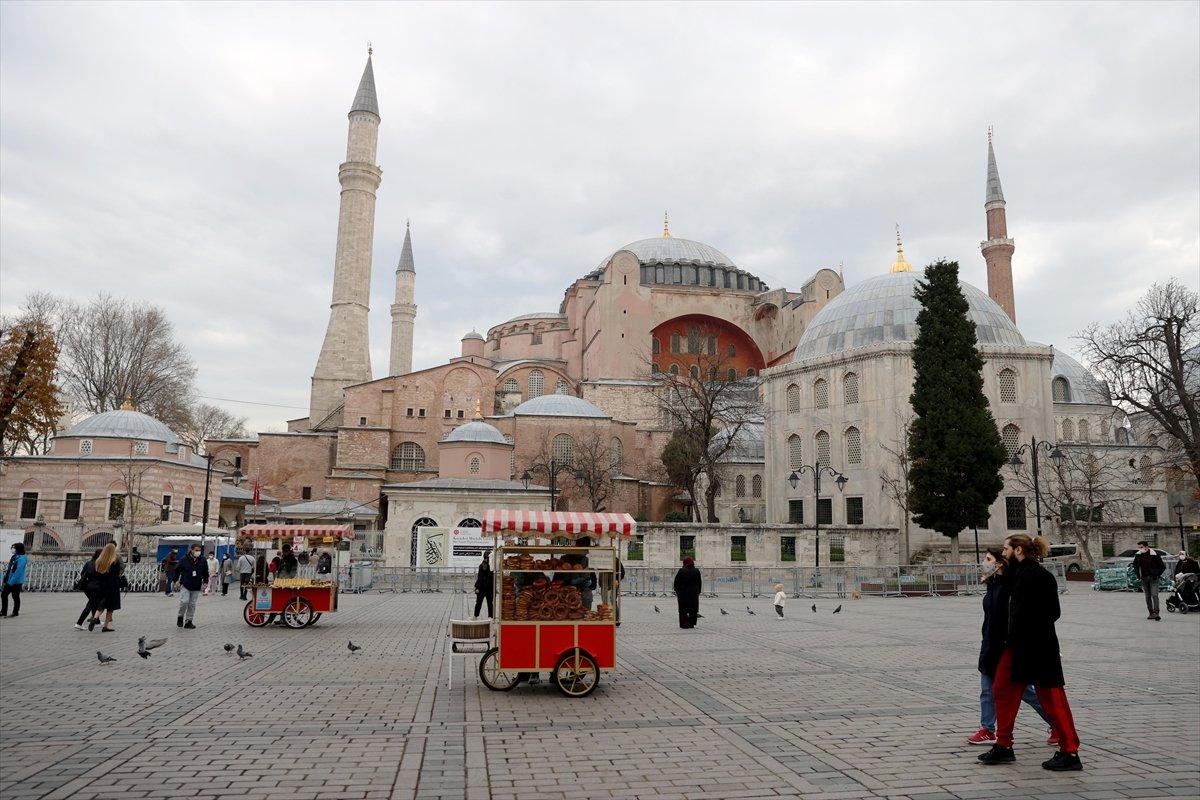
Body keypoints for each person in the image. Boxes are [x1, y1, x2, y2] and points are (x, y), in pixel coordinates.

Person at [978, 534, 1082, 772]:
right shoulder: (1013, 575)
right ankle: (1004, 745)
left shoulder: (1039, 576)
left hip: (1038, 647)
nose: (1003, 553)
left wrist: (1026, 629)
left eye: (1006, 549)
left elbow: (1052, 612)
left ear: (1018, 550)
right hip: (1015, 647)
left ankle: (1070, 751)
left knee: (1052, 698)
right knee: (1002, 690)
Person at [969, 547, 1057, 747]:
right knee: (987, 690)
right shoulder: (993, 585)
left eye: (988, 559)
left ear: (999, 563)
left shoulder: (1009, 586)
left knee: (1027, 693)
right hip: (990, 646)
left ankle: (1056, 722)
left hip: (1006, 648)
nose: (984, 563)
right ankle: (987, 729)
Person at [83, 543, 123, 632]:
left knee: (101, 604)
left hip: (101, 585)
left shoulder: (99, 561)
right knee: (110, 607)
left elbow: (97, 573)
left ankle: (95, 618)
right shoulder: (114, 561)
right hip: (112, 585)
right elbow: (117, 573)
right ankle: (105, 626)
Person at [173, 544, 209, 629]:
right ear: (192, 550)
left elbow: (205, 571)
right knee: (184, 602)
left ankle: (189, 621)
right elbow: (177, 570)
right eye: (196, 550)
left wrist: (205, 581)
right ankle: (180, 616)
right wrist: (176, 580)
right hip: (186, 584)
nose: (198, 552)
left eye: (199, 550)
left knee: (192, 604)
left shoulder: (203, 560)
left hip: (196, 584)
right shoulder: (184, 559)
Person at [1132, 541, 1165, 621]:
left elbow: (1162, 567)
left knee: (1154, 595)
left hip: (1153, 578)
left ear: (1146, 547)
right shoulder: (1138, 555)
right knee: (1147, 596)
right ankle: (1151, 613)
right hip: (1143, 578)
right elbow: (1135, 565)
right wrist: (1138, 574)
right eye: (1139, 547)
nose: (1140, 549)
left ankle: (1156, 612)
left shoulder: (1155, 555)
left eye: (1141, 547)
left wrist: (1156, 574)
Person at [74, 548, 103, 630]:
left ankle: (97, 621)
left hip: (87, 587)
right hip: (96, 587)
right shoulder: (99, 564)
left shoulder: (88, 563)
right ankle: (79, 623)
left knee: (94, 603)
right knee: (90, 605)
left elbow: (82, 573)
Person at [1, 543, 29, 618]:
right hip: (10, 579)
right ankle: (3, 612)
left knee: (15, 596)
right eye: (12, 547)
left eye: (14, 547)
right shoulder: (15, 556)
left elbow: (18, 571)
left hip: (16, 581)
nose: (12, 549)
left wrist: (11, 582)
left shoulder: (22, 558)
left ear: (18, 548)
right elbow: (11, 568)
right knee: (4, 594)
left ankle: (15, 612)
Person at [673, 556, 702, 629]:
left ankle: (684, 624)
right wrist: (698, 591)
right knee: (693, 609)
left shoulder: (682, 571)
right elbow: (699, 582)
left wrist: (677, 591)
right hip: (694, 593)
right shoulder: (696, 571)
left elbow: (676, 582)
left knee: (683, 609)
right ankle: (691, 623)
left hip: (683, 593)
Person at [473, 554, 494, 619]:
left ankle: (475, 616)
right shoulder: (491, 566)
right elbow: (481, 577)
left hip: (483, 588)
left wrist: (477, 587)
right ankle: (490, 617)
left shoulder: (483, 565)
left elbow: (480, 577)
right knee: (489, 603)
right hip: (488, 588)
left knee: (479, 603)